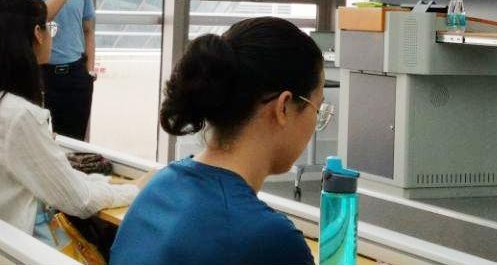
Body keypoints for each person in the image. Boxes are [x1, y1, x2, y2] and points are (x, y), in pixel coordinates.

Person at [110, 17, 333, 265]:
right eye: (317, 108)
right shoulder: (270, 239)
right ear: (283, 107)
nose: (316, 121)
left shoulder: (158, 187)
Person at [0, 0, 139, 237]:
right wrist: (136, 190)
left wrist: (105, 183)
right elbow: (78, 200)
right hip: (9, 245)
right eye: (50, 28)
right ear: (37, 33)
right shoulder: (18, 115)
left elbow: (59, 179)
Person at [12, 0, 96, 140]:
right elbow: (38, 18)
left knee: (75, 143)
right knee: (39, 139)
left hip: (77, 75)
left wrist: (89, 71)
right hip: (41, 75)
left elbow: (88, 29)